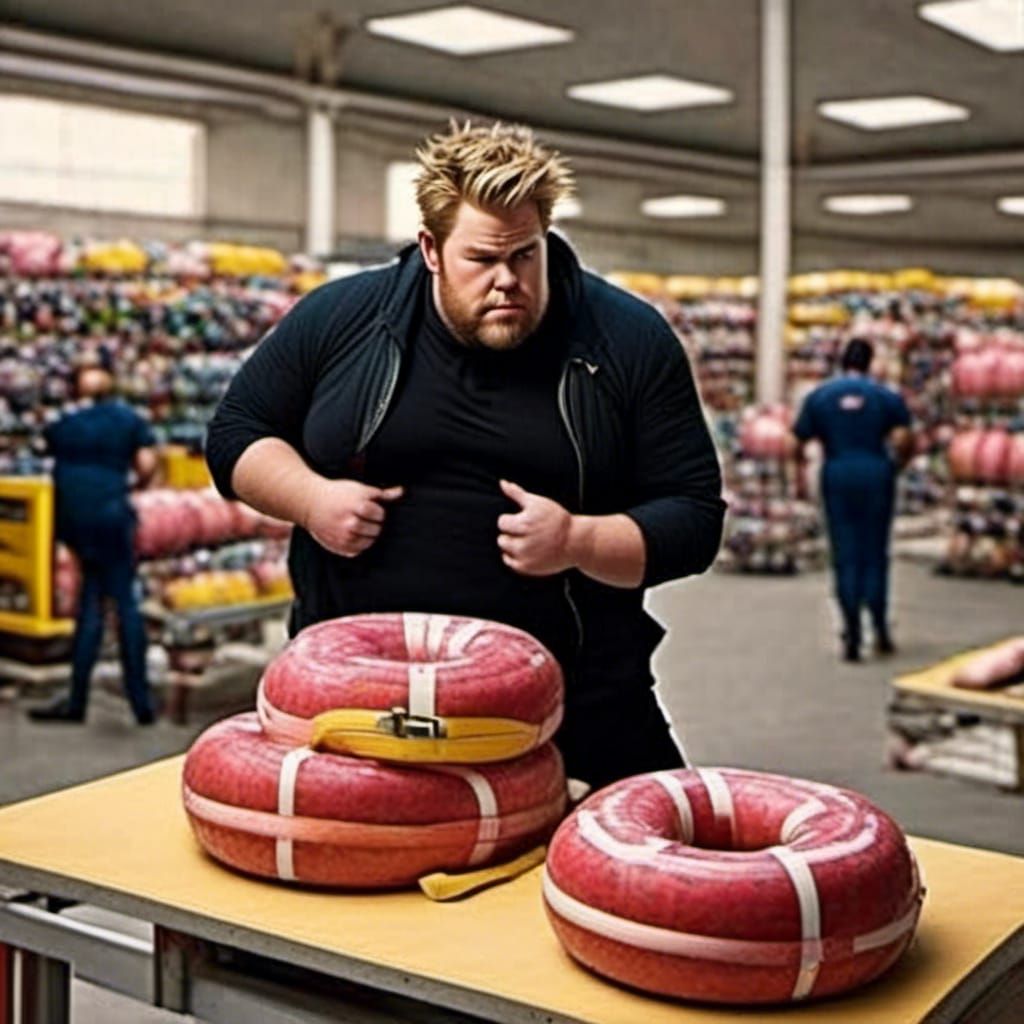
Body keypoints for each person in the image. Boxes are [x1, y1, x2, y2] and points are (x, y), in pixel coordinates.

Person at [205, 121, 724, 788]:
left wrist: (578, 539)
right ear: (431, 249)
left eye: (525, 256)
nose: (508, 281)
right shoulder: (345, 318)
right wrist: (311, 499)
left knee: (649, 874)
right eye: (482, 259)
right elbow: (236, 433)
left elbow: (694, 519)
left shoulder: (626, 339)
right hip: (359, 702)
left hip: (576, 704)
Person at [29, 349, 159, 724]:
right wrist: (133, 487)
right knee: (126, 604)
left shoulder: (63, 423)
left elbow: (45, 454)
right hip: (113, 516)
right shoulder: (128, 419)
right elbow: (147, 465)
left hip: (74, 521)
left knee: (90, 606)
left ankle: (76, 700)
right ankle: (141, 704)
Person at [792, 338, 914, 663]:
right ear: (871, 362)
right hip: (875, 472)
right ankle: (879, 628)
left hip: (838, 472)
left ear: (841, 360)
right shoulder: (885, 396)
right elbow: (904, 438)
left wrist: (799, 480)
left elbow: (798, 443)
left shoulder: (820, 396)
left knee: (844, 552)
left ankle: (851, 632)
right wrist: (896, 465)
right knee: (875, 551)